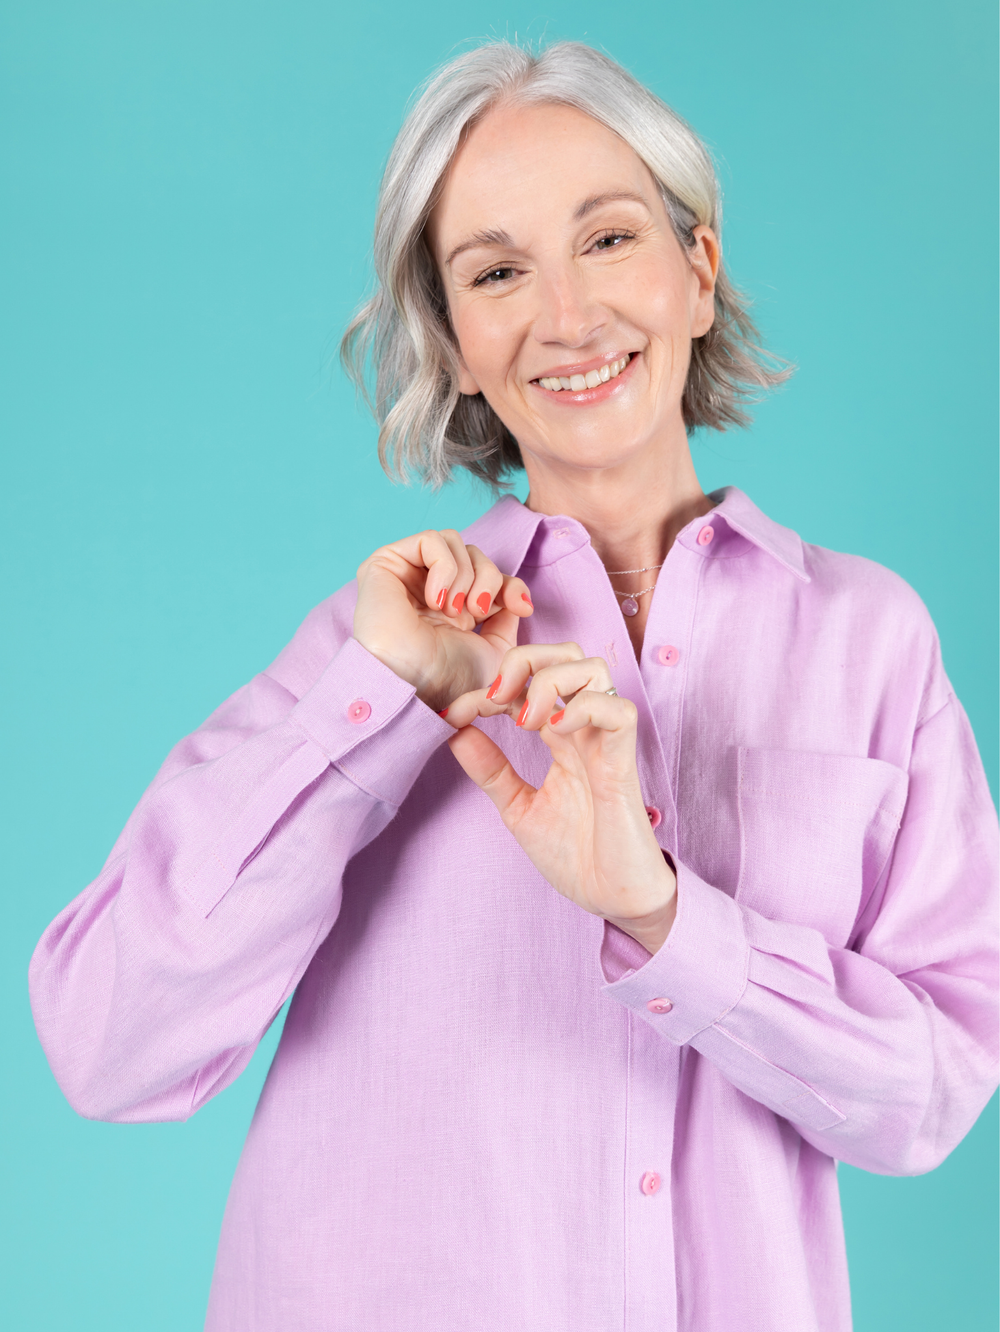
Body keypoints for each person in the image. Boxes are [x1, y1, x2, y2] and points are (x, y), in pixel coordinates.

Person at [29, 39, 998, 1332]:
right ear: (459, 344)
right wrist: (380, 706)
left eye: (607, 241)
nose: (567, 316)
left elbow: (929, 1096)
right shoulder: (377, 649)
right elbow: (108, 1043)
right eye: (496, 272)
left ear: (697, 272)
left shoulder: (870, 641)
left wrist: (664, 919)